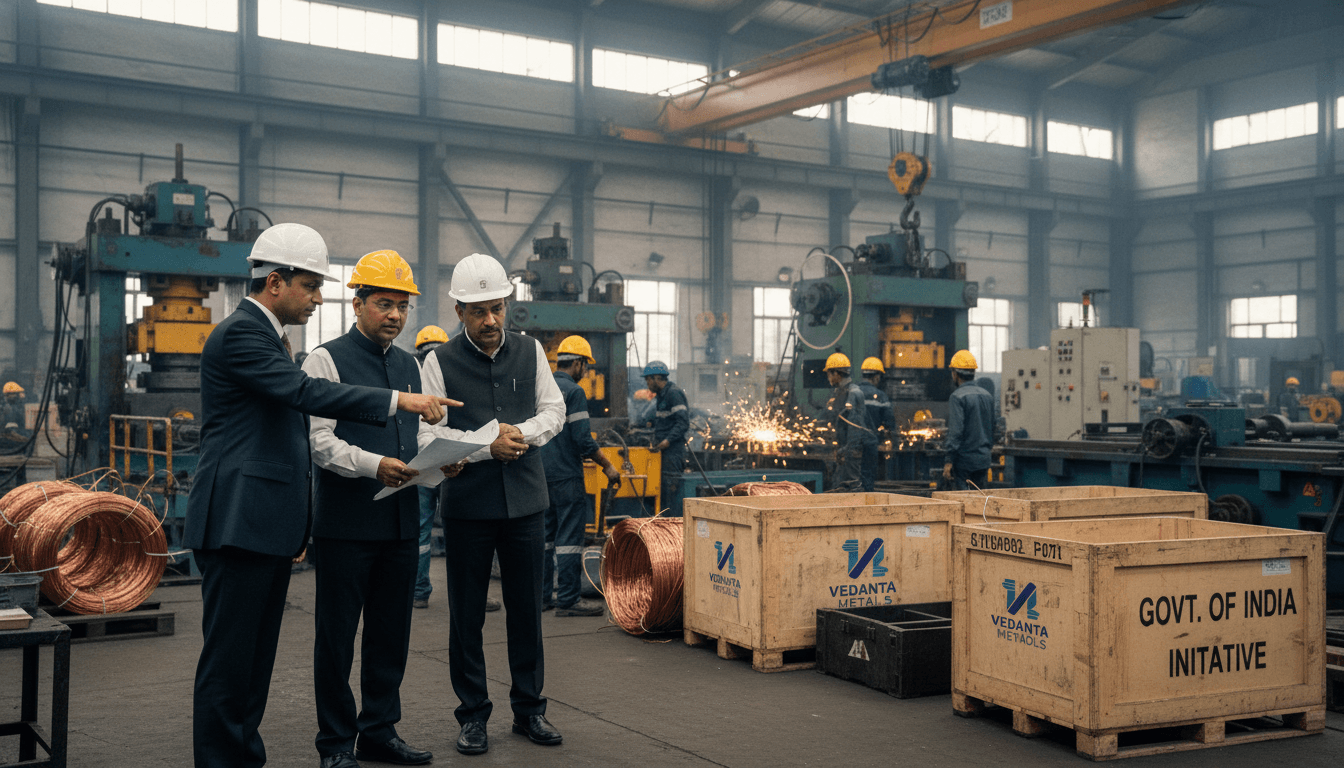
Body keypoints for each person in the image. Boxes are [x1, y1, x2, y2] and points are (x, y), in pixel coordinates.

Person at [184, 223, 457, 768]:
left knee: (252, 660)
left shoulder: (268, 337)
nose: (315, 298)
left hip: (263, 522)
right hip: (240, 518)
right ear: (277, 281)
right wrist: (398, 401)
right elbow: (303, 396)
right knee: (232, 661)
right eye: (310, 286)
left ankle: (244, 756)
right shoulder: (243, 333)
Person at [418, 253, 567, 756]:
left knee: (527, 611)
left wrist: (518, 434)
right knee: (467, 617)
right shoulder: (436, 362)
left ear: (507, 305)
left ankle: (530, 711)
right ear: (459, 310)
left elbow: (554, 409)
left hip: (526, 503)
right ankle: (473, 715)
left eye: (497, 309)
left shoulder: (531, 352)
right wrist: (487, 446)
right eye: (478, 311)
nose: (490, 321)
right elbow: (428, 431)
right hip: (468, 507)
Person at [302, 250, 443, 768]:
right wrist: (373, 464)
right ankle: (336, 743)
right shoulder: (325, 360)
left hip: (401, 522)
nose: (395, 316)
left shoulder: (410, 365)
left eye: (402, 307)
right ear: (356, 302)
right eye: (384, 304)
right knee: (337, 638)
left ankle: (378, 731)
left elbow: (420, 431)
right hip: (346, 524)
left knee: (390, 635)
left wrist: (441, 458)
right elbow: (319, 441)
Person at [540, 335, 620, 616]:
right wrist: (607, 466)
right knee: (570, 541)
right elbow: (583, 440)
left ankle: (543, 598)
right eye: (585, 365)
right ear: (578, 363)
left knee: (545, 539)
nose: (585, 371)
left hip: (539, 476)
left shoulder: (541, 388)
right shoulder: (573, 392)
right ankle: (569, 600)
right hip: (566, 476)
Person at [941, 350, 994, 491]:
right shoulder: (987, 396)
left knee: (964, 504)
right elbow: (993, 428)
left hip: (965, 461)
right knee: (980, 501)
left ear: (955, 374)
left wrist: (948, 460)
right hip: (984, 459)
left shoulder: (957, 397)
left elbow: (956, 432)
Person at [642, 361, 688, 516]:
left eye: (648, 379)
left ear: (656, 377)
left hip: (672, 454)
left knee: (670, 495)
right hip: (663, 453)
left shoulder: (673, 394)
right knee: (661, 494)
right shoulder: (661, 396)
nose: (647, 383)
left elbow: (682, 423)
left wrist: (667, 441)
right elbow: (666, 420)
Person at [823, 353, 873, 489]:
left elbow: (855, 428)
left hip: (851, 452)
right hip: (845, 450)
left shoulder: (853, 393)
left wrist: (847, 450)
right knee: (840, 486)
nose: (828, 378)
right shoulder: (841, 392)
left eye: (829, 374)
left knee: (852, 487)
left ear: (837, 374)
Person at [857, 358, 895, 492]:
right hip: (870, 444)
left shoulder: (853, 393)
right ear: (877, 376)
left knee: (852, 479)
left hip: (852, 445)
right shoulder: (880, 396)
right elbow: (890, 422)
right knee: (867, 478)